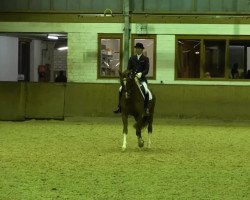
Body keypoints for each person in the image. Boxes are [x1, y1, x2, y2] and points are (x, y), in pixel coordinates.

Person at [113, 42, 150, 116]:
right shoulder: (132, 58)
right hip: (132, 79)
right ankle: (119, 106)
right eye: (136, 48)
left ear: (142, 50)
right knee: (120, 89)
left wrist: (141, 73)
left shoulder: (145, 59)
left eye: (139, 48)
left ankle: (146, 108)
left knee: (146, 90)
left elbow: (147, 70)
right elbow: (128, 69)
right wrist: (126, 74)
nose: (137, 50)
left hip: (141, 79)